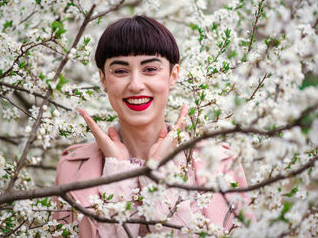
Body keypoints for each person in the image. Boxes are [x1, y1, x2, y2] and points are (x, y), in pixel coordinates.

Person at [54, 15, 252, 237]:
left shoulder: (221, 165)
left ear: (173, 75)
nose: (136, 85)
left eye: (150, 69)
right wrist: (117, 172)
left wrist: (159, 175)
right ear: (102, 79)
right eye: (120, 71)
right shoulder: (71, 169)